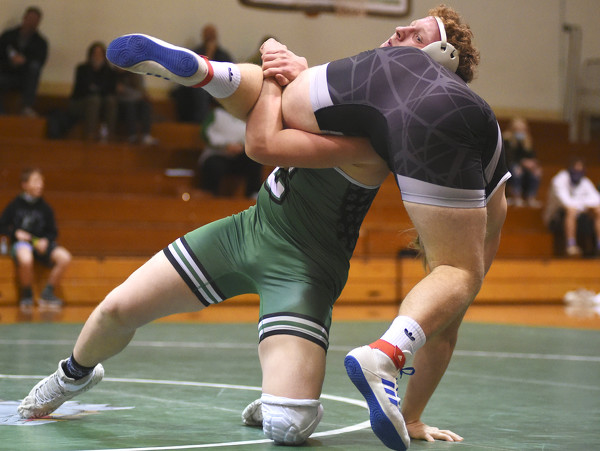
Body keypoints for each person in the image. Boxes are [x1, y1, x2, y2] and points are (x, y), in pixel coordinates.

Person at [24, 4, 508, 449]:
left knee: (288, 427)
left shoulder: (376, 143)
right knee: (116, 308)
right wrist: (292, 71)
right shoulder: (345, 90)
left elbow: (263, 143)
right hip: (247, 231)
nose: (397, 35)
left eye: (414, 37)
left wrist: (276, 74)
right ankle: (71, 375)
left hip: (303, 272)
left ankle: (209, 74)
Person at [0, 168, 72, 313]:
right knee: (26, 259)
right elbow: (2, 226)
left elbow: (53, 232)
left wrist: (46, 241)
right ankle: (27, 294)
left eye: (41, 181)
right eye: (35, 181)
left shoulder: (45, 207)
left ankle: (47, 294)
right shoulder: (14, 205)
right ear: (25, 184)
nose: (40, 185)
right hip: (22, 244)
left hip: (41, 244)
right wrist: (15, 233)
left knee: (65, 257)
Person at [170, 24, 234, 123]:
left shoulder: (223, 54)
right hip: (199, 85)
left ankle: (205, 122)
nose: (209, 38)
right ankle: (196, 122)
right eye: (207, 35)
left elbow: (229, 74)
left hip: (218, 87)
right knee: (187, 91)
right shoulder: (196, 52)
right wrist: (209, 54)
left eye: (211, 35)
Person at [197, 102, 262, 197]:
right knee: (213, 165)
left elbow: (254, 134)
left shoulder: (246, 115)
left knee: (255, 160)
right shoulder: (216, 113)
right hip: (218, 154)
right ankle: (210, 194)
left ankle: (253, 194)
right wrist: (225, 145)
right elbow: (205, 133)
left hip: (241, 154)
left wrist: (242, 145)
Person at [544, 157, 600, 257]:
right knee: (571, 211)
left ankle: (599, 245)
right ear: (569, 169)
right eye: (575, 170)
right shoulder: (559, 180)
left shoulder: (585, 182)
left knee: (598, 210)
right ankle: (571, 245)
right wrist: (584, 205)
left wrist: (585, 207)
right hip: (556, 218)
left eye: (580, 170)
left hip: (580, 215)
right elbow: (566, 203)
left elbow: (596, 200)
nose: (577, 173)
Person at [0, 6, 48, 116]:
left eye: (35, 20)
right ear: (24, 18)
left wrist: (24, 61)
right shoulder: (8, 36)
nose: (32, 22)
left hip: (25, 78)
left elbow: (40, 61)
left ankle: (27, 107)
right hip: (6, 73)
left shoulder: (41, 43)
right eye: (30, 19)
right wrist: (11, 61)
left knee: (34, 68)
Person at [69, 42, 118, 141]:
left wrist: (95, 88)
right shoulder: (82, 69)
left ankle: (110, 134)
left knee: (111, 101)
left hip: (102, 103)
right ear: (90, 55)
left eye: (100, 54)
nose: (97, 56)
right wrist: (98, 89)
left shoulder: (109, 72)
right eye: (95, 53)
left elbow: (110, 90)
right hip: (81, 102)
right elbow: (81, 89)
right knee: (94, 100)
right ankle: (90, 134)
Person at [503, 117, 542, 207]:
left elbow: (531, 155)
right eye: (517, 129)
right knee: (516, 170)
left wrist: (532, 164)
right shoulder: (507, 140)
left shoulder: (527, 141)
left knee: (536, 172)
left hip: (524, 166)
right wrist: (522, 162)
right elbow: (508, 157)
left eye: (522, 129)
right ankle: (516, 197)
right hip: (510, 165)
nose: (520, 132)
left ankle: (531, 197)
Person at [115, 69, 158, 145]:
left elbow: (141, 92)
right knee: (130, 106)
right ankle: (132, 135)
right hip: (121, 104)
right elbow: (117, 93)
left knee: (145, 105)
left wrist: (126, 91)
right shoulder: (114, 75)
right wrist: (134, 94)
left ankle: (146, 135)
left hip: (136, 102)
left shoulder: (136, 74)